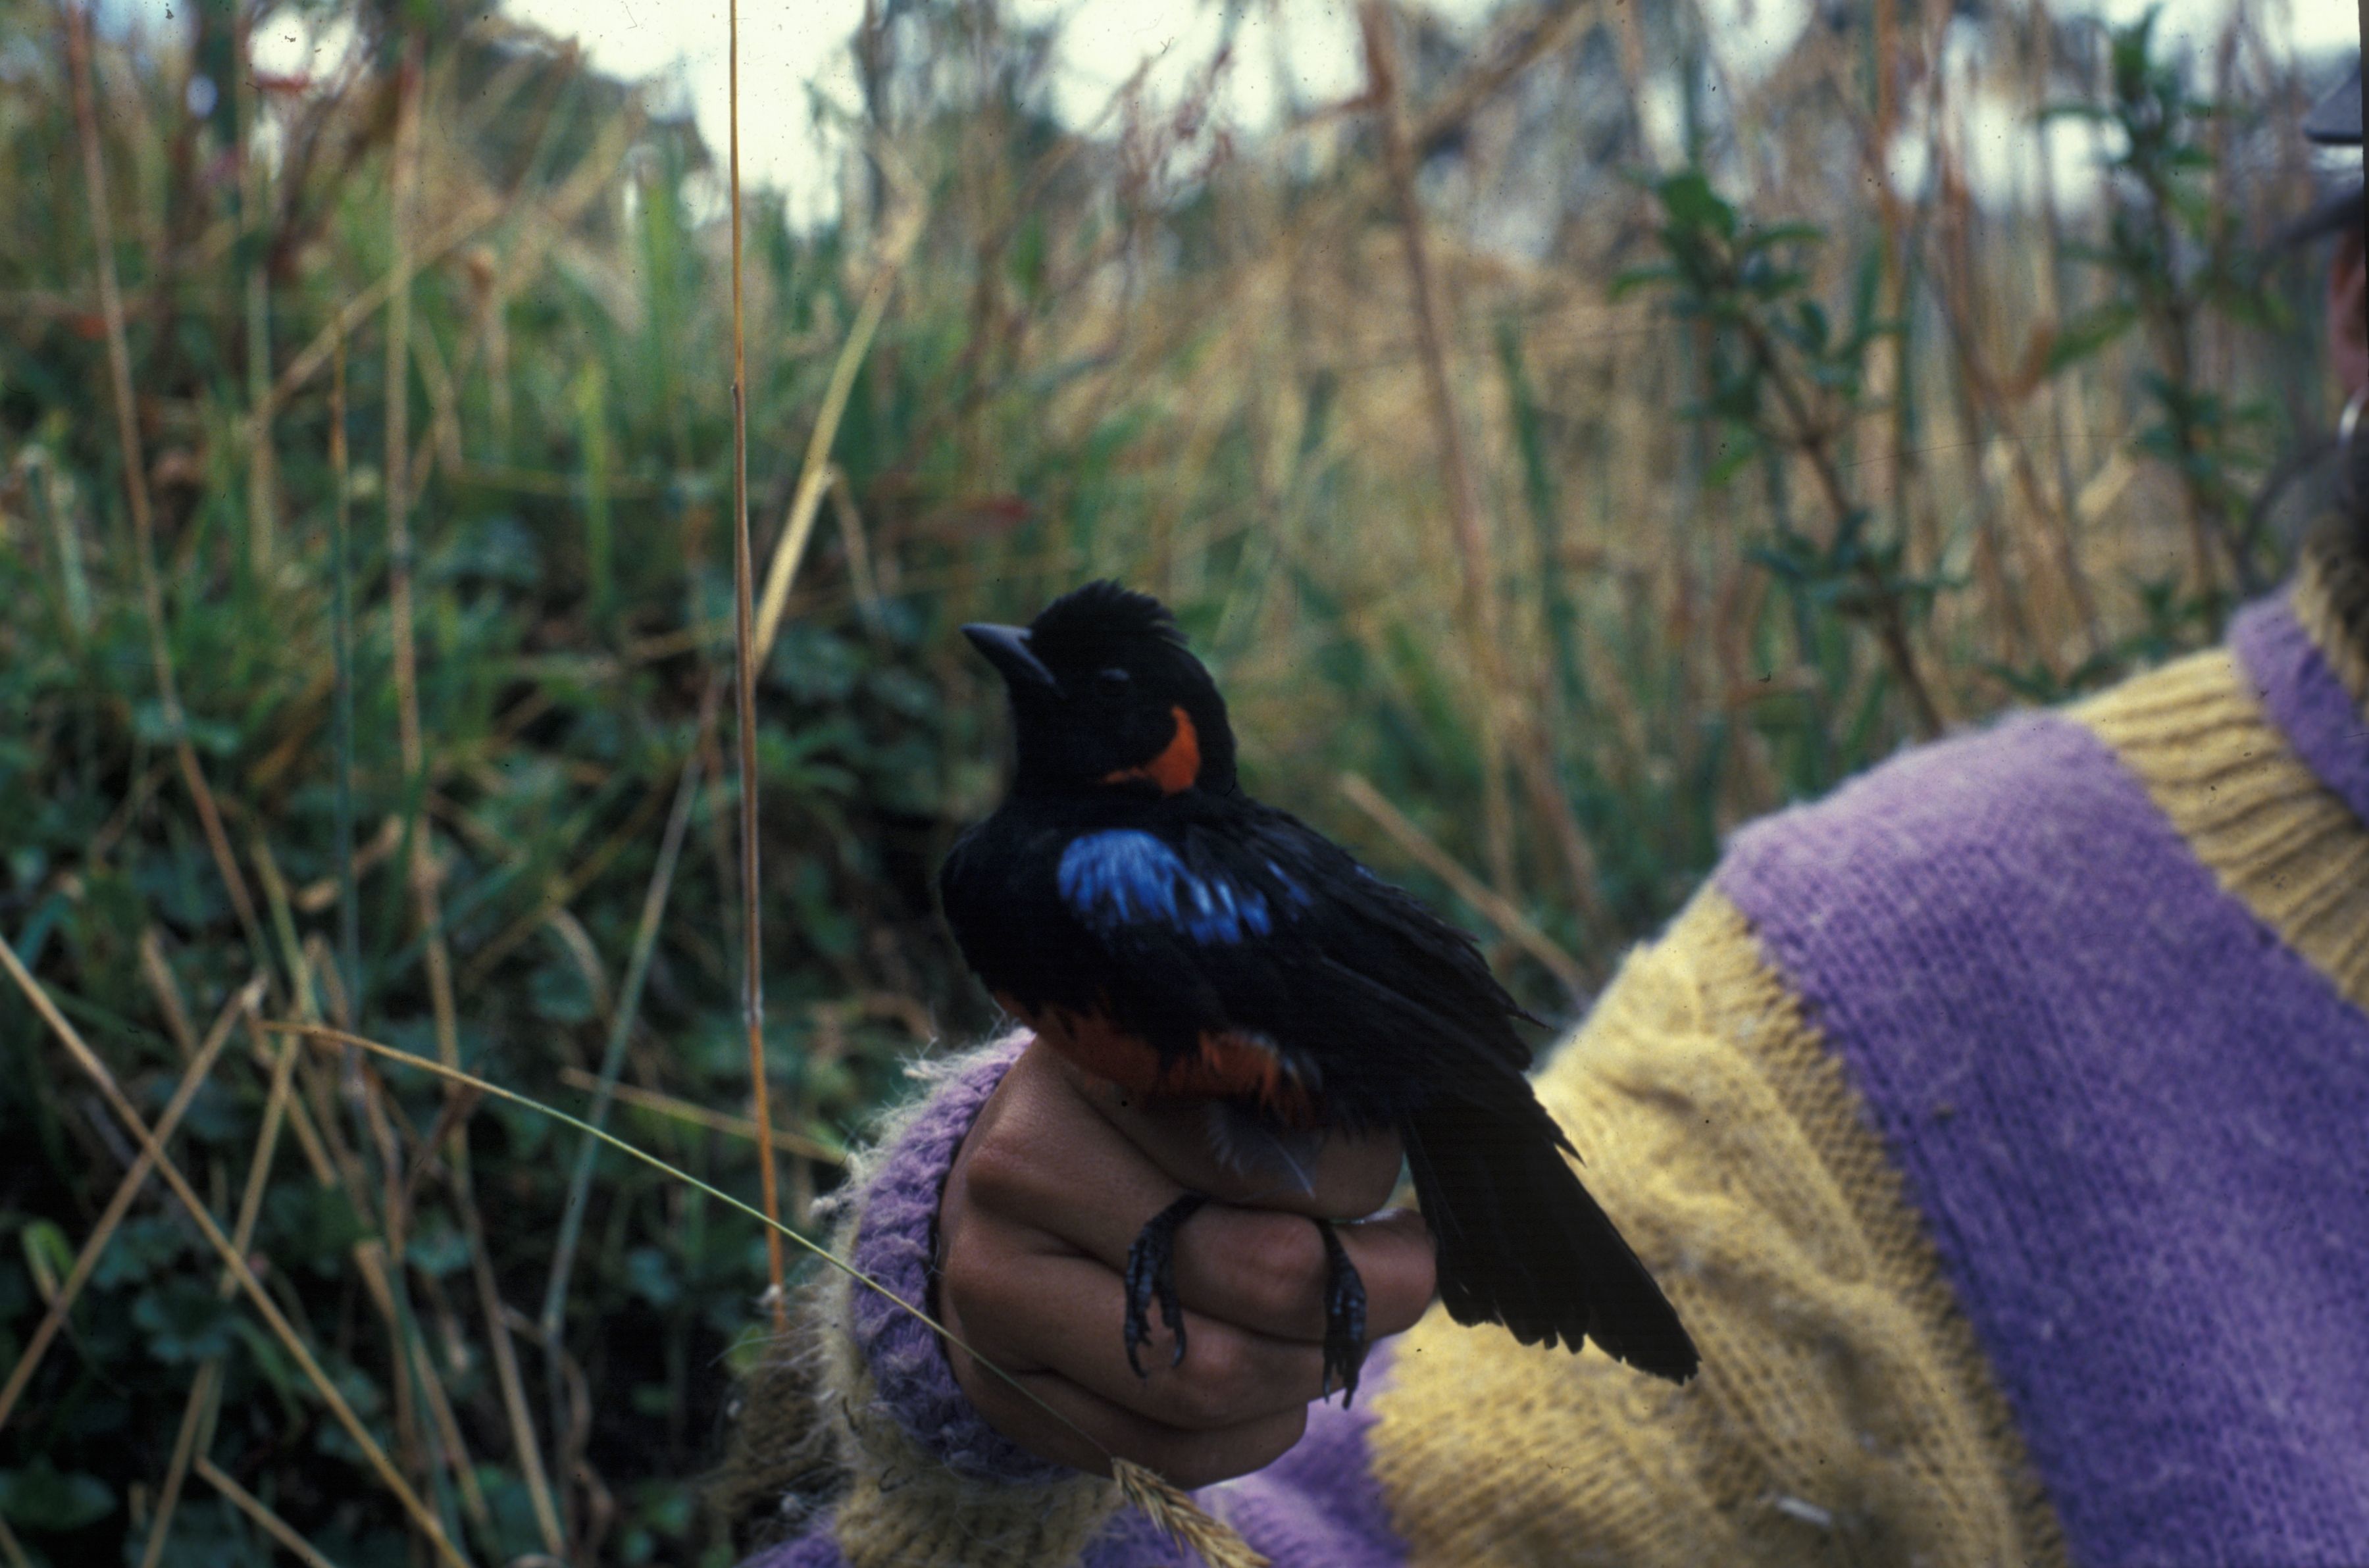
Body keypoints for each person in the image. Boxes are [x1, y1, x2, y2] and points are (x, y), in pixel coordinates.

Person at [720, 61, 2369, 1568]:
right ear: (2356, 315)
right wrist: (999, 1403)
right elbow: (1331, 1518)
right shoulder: (1886, 1017)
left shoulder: (1136, 871)